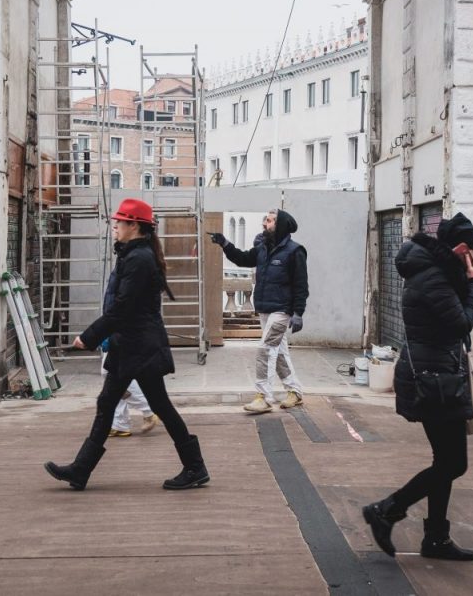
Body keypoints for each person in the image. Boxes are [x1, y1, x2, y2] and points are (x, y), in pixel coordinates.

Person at [45, 198, 209, 491]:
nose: (115, 226)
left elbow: (122, 308)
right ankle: (81, 470)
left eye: (119, 222)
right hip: (131, 345)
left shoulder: (139, 259)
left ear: (134, 225)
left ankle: (195, 467)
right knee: (108, 403)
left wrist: (90, 336)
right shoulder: (133, 254)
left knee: (159, 406)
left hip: (140, 347)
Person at [362, 213, 473, 562]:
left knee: (447, 460)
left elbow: (449, 314)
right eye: (471, 253)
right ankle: (387, 510)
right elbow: (460, 324)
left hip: (435, 374)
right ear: (463, 248)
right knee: (453, 463)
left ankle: (436, 538)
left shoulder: (432, 271)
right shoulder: (433, 277)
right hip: (434, 378)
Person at [209, 209, 308, 414]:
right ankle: (294, 391)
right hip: (264, 308)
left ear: (280, 225)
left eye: (270, 221)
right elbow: (243, 259)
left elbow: (301, 285)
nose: (265, 223)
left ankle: (263, 396)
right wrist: (225, 244)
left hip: (282, 310)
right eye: (265, 220)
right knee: (278, 351)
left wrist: (298, 312)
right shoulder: (263, 248)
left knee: (265, 349)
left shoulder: (295, 251)